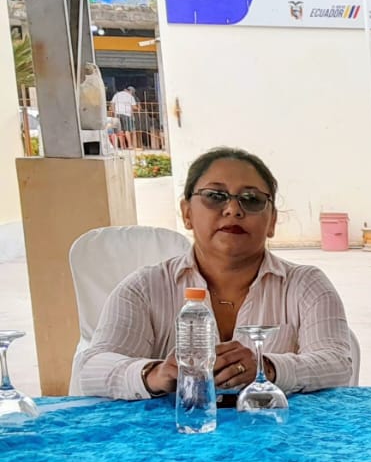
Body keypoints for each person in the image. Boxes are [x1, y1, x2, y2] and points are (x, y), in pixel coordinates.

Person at [77, 147, 356, 399]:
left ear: (272, 221)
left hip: (277, 433)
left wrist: (268, 368)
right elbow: (91, 368)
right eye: (215, 196)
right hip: (177, 436)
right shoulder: (146, 288)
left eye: (252, 199)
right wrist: (155, 373)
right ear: (187, 213)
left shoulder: (305, 285)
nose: (233, 210)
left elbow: (338, 363)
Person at [110, 85, 137, 149]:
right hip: (127, 114)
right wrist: (138, 108)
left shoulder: (116, 95)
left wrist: (114, 113)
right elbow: (134, 107)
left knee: (120, 130)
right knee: (127, 130)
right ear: (129, 91)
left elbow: (112, 104)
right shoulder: (130, 96)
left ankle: (122, 146)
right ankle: (130, 145)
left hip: (118, 114)